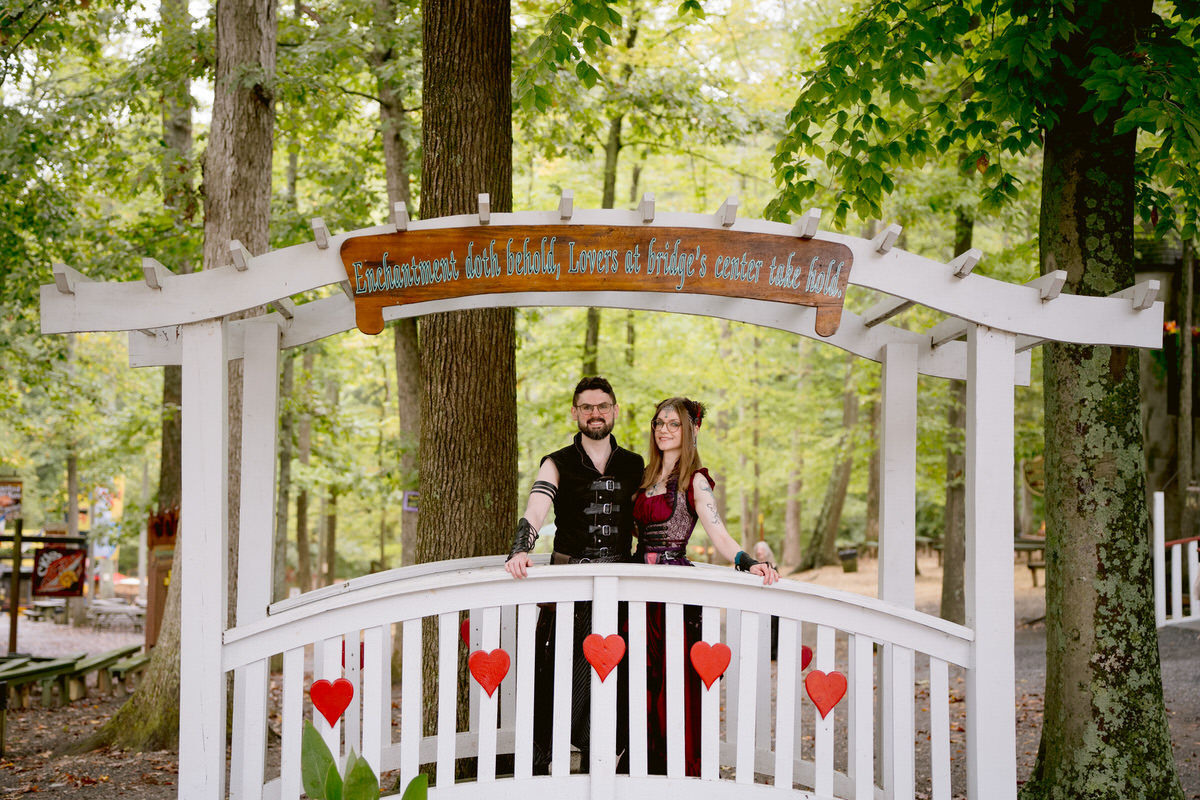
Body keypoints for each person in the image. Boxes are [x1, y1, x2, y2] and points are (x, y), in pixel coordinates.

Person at [632, 396, 778, 776]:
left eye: (673, 424)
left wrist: (748, 562)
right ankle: (641, 766)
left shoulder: (694, 480)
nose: (664, 429)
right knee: (641, 679)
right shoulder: (645, 476)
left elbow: (718, 534)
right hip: (636, 590)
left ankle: (679, 765)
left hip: (673, 590)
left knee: (672, 678)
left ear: (689, 431)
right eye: (659, 423)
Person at [505, 376, 644, 773]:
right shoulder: (557, 461)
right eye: (587, 407)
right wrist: (521, 548)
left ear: (615, 410)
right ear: (575, 412)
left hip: (620, 589)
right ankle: (544, 766)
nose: (595, 413)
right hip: (568, 588)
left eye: (603, 406)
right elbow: (536, 508)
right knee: (557, 676)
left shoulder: (634, 464)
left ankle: (599, 765)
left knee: (616, 677)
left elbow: (645, 520)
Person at [753, 540, 781, 661]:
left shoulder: (773, 566)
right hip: (758, 600)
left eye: (762, 550)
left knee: (774, 625)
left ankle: (773, 652)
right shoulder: (753, 567)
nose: (759, 552)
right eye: (758, 550)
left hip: (773, 601)